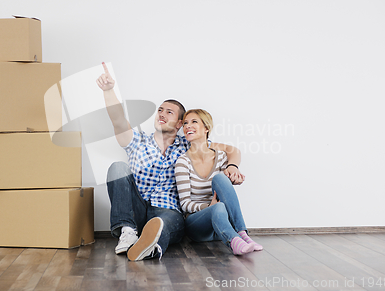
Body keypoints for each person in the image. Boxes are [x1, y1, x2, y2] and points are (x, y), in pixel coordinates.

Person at [96, 63, 245, 261]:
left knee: (164, 224)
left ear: (179, 124)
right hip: (135, 209)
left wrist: (232, 166)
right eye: (160, 110)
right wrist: (108, 91)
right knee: (117, 168)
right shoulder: (137, 141)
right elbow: (118, 119)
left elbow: (231, 150)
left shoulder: (189, 145)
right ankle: (128, 232)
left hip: (167, 210)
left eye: (169, 112)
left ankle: (151, 247)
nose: (162, 114)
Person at [175, 109, 263, 255]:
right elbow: (184, 204)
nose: (187, 126)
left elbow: (224, 185)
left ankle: (242, 234)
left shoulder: (221, 156)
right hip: (197, 226)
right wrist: (208, 206)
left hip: (221, 222)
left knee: (220, 178)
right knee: (217, 207)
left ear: (206, 128)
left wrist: (233, 179)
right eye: (185, 123)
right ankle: (234, 241)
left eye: (194, 122)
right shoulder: (182, 162)